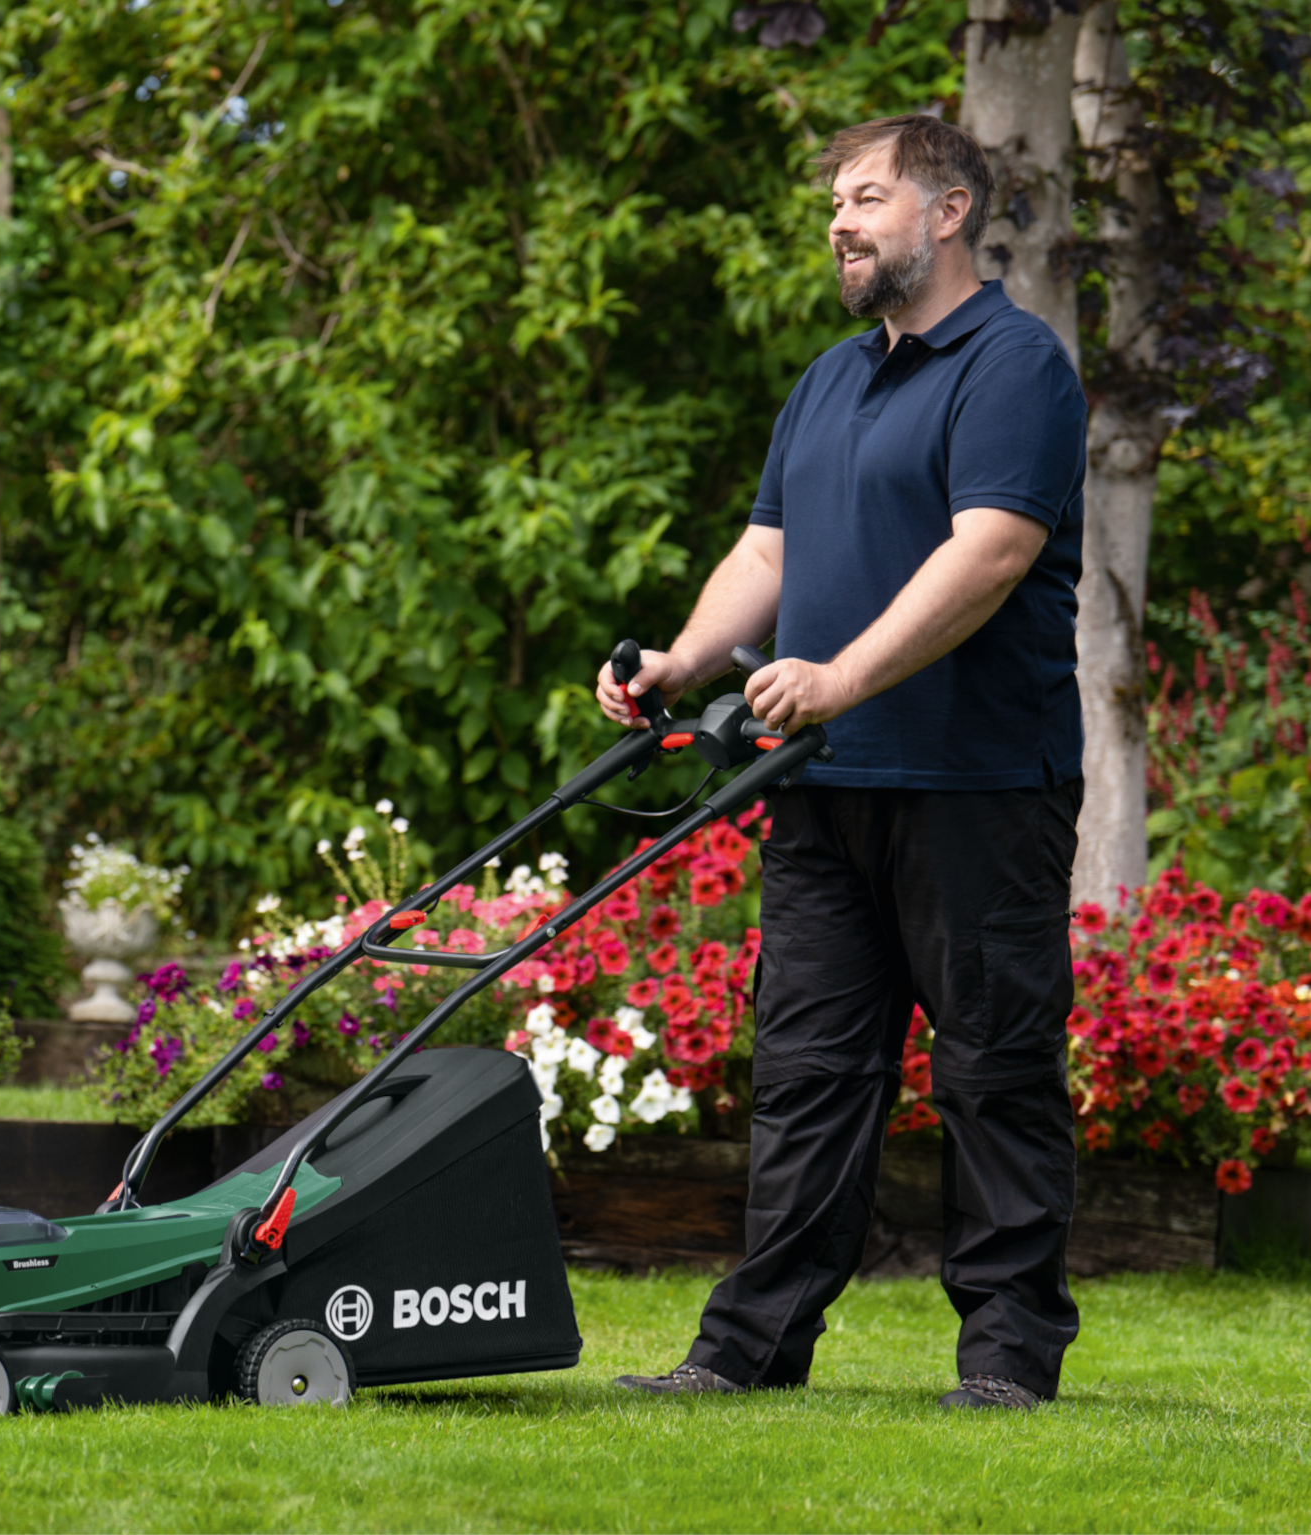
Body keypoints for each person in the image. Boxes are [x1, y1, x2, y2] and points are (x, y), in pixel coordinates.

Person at [595, 114, 1087, 1411]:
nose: (838, 220)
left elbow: (987, 554)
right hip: (821, 790)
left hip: (978, 786)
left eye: (866, 196)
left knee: (993, 1073)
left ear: (947, 211)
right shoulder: (826, 380)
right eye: (832, 201)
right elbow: (767, 555)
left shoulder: (1013, 368)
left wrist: (837, 678)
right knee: (809, 1075)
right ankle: (746, 1352)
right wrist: (680, 664)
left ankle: (1004, 1361)